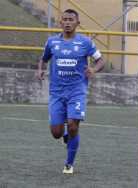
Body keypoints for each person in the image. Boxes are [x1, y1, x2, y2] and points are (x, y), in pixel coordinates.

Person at [37, 9, 105, 174]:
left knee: (74, 125)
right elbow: (43, 59)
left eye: (71, 19)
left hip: (77, 91)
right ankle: (65, 133)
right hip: (57, 92)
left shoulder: (85, 42)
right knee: (56, 133)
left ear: (77, 23)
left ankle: (69, 164)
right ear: (60, 23)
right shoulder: (52, 42)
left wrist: (94, 70)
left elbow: (100, 60)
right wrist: (40, 69)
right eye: (65, 19)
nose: (67, 22)